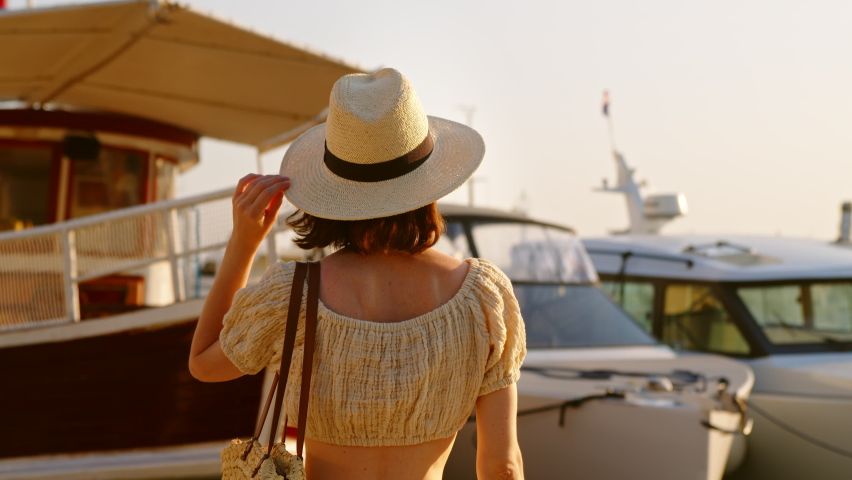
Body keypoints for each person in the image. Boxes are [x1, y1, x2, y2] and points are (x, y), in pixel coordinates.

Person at [189, 68, 526, 480]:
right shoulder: (483, 298)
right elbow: (502, 466)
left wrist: (243, 245)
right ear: (428, 184)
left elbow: (203, 363)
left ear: (335, 186)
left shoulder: (293, 294)